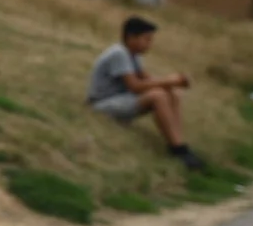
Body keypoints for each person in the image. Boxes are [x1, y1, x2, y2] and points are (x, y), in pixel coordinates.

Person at [87, 15, 206, 170]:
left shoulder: (133, 55)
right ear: (131, 37)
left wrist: (173, 83)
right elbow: (135, 86)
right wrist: (169, 81)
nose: (149, 44)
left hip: (121, 99)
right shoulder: (119, 53)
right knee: (158, 96)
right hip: (102, 104)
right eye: (147, 39)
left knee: (172, 93)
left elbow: (147, 79)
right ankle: (177, 148)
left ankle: (180, 143)